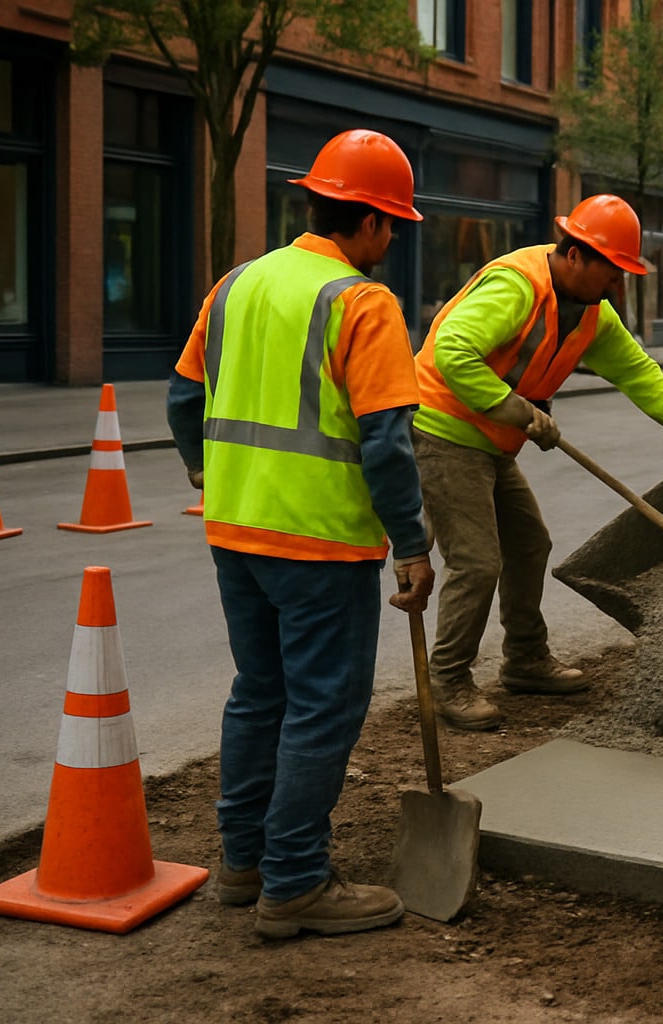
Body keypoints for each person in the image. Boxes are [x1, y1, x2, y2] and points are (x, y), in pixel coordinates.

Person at [166, 128, 435, 939]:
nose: (393, 238)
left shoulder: (238, 283)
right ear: (375, 223)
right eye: (395, 223)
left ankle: (244, 865)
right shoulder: (362, 301)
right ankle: (295, 883)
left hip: (234, 531)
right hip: (321, 544)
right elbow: (387, 441)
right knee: (321, 707)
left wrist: (204, 470)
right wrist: (415, 546)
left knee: (259, 695)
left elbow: (183, 401)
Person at [412, 194, 663, 731]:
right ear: (576, 255)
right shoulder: (518, 286)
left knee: (529, 542)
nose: (618, 289)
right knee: (478, 561)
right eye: (613, 274)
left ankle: (525, 661)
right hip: (445, 431)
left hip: (493, 439)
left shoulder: (590, 313)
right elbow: (453, 351)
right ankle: (448, 680)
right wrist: (518, 409)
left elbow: (637, 370)